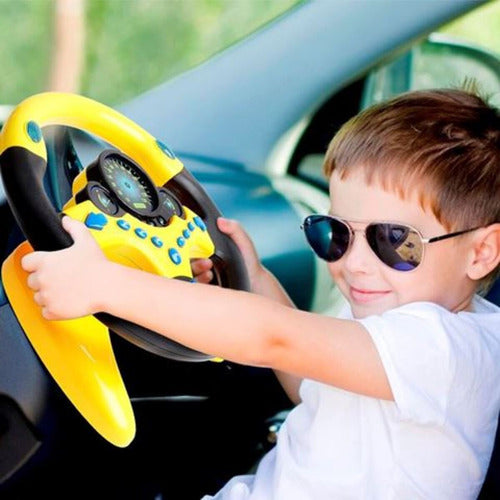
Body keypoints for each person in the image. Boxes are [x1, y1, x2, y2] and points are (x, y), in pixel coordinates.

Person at [21, 88, 500, 499]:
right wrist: (256, 277)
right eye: (335, 233)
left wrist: (103, 284)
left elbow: (277, 339)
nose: (353, 262)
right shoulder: (407, 326)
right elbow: (312, 380)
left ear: (481, 253)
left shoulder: (448, 351)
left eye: (393, 241)